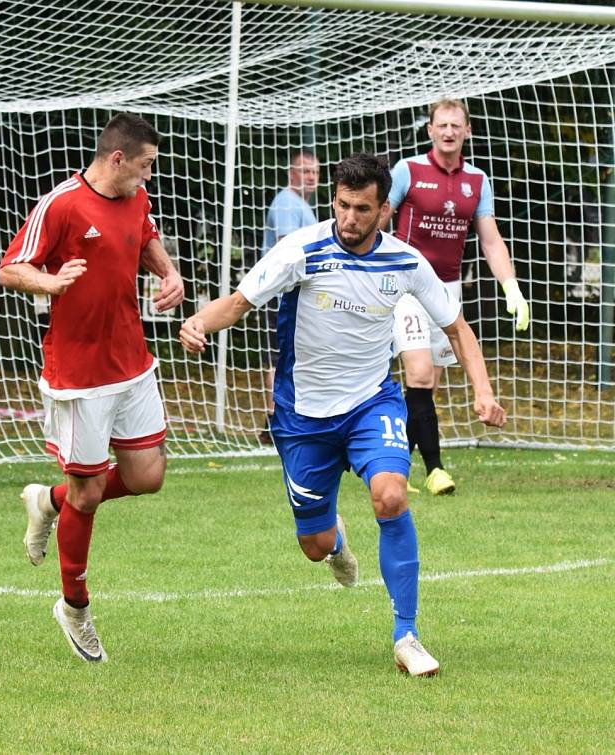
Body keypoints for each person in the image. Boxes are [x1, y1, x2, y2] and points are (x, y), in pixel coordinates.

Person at [179, 153, 505, 676]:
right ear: (334, 200)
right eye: (342, 205)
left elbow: (457, 328)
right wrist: (198, 322)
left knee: (392, 495)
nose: (350, 218)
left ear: (383, 212)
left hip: (370, 403)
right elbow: (239, 303)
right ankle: (336, 544)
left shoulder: (405, 262)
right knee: (313, 545)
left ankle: (407, 635)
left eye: (362, 209)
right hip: (303, 417)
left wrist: (483, 391)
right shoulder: (300, 250)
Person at [0, 113, 184, 663]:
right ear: (118, 158)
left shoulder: (136, 199)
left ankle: (48, 500)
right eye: (146, 166)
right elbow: (11, 269)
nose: (150, 178)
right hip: (78, 377)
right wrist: (49, 281)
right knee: (89, 493)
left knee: (146, 476)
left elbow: (145, 238)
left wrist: (168, 274)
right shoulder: (62, 204)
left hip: (131, 361)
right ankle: (74, 606)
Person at [379, 98, 529, 496]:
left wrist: (510, 287)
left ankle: (394, 466)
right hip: (407, 286)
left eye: (455, 126)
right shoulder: (408, 170)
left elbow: (491, 239)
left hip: (446, 290)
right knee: (420, 374)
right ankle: (435, 470)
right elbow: (379, 218)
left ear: (467, 131)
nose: (448, 131)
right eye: (441, 125)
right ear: (430, 130)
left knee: (426, 387)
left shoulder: (477, 180)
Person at [258, 150, 320, 445]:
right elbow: (287, 247)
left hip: (294, 292)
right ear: (291, 174)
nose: (311, 177)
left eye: (315, 172)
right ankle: (273, 420)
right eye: (305, 171)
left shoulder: (304, 207)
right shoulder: (285, 202)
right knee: (278, 355)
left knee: (292, 355)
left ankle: (283, 417)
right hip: (279, 291)